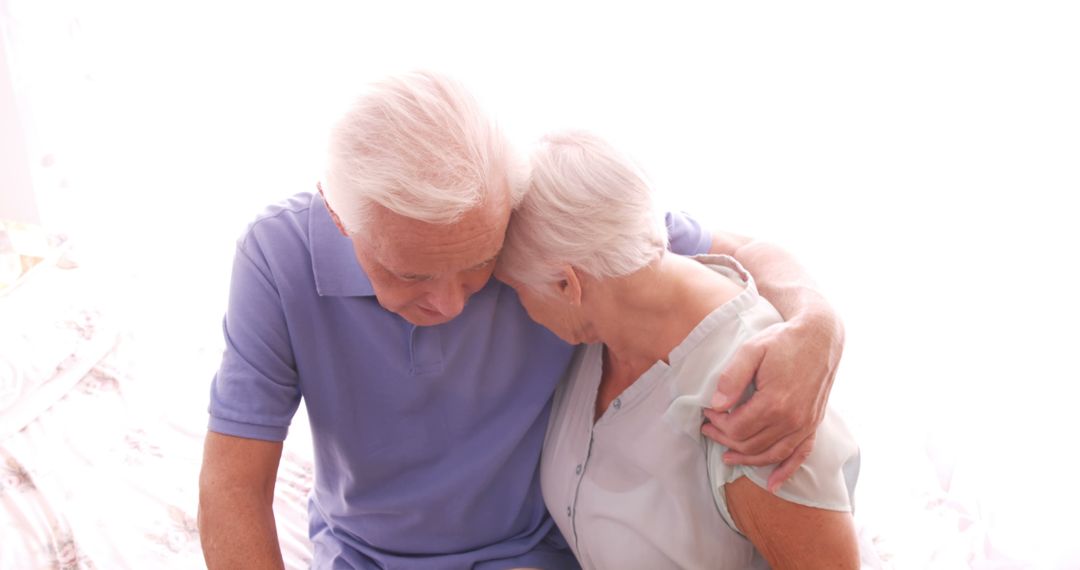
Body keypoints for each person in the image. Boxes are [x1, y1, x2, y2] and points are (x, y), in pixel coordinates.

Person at [197, 71, 847, 569]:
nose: (450, 304)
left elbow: (735, 251)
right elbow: (233, 483)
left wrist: (816, 323)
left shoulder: (533, 215)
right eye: (411, 274)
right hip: (366, 555)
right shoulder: (277, 257)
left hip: (534, 553)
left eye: (479, 264)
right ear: (340, 221)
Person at [496, 130, 860, 569]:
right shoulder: (604, 328)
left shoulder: (755, 401)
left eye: (516, 290)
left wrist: (818, 322)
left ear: (565, 285)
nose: (519, 308)